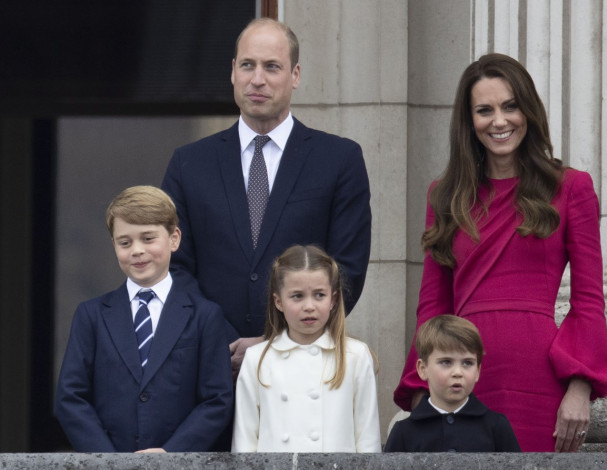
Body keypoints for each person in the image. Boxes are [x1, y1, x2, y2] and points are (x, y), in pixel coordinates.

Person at [393, 53, 607, 452]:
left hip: (539, 381)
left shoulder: (571, 187)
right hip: (461, 377)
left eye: (510, 106)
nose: (499, 121)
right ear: (470, 122)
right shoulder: (443, 194)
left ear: (527, 111)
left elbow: (588, 299)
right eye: (485, 110)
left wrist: (580, 387)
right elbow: (432, 306)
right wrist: (419, 387)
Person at [161, 18, 371, 379]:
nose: (257, 79)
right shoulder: (189, 163)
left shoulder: (339, 160)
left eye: (272, 67)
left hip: (303, 369)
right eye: (248, 65)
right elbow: (173, 266)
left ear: (295, 75)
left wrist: (276, 341)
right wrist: (219, 339)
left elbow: (346, 268)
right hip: (209, 372)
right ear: (232, 72)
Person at [54, 186, 233, 452]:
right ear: (114, 245)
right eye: (125, 242)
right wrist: (108, 461)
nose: (137, 250)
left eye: (148, 238)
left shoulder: (205, 316)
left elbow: (216, 400)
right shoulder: (91, 315)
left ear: (174, 239)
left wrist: (171, 454)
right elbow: (70, 397)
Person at [232, 245, 380, 452]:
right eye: (297, 296)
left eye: (319, 295)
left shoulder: (355, 356)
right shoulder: (257, 359)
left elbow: (367, 440)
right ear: (278, 301)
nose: (309, 306)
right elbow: (244, 442)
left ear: (333, 300)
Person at [385, 315, 520, 452]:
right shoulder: (403, 432)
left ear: (478, 371)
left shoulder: (496, 426)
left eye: (467, 363)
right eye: (446, 362)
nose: (458, 372)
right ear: (422, 369)